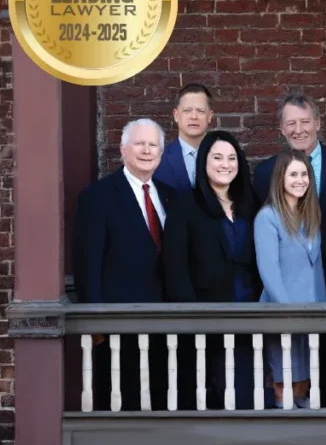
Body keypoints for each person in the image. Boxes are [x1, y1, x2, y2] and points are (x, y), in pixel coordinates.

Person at [252, 93, 326, 406]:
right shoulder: (264, 176)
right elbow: (267, 259)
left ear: (317, 122)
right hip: (287, 303)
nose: (299, 129)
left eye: (305, 121)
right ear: (282, 129)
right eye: (291, 123)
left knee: (325, 374)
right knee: (288, 378)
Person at [72, 118, 176, 411]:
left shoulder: (170, 195)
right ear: (123, 149)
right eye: (139, 144)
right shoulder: (98, 196)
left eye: (153, 144)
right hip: (118, 324)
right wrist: (96, 325)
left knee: (162, 401)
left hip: (166, 322)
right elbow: (86, 263)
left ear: (161, 152)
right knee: (122, 403)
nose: (146, 150)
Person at [162, 130, 261, 410]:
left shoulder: (250, 204)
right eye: (217, 157)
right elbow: (175, 265)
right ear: (204, 161)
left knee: (244, 391)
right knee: (206, 395)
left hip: (249, 313)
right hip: (204, 315)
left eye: (232, 158)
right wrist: (191, 316)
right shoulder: (186, 205)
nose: (225, 164)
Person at [254, 150, 326, 408]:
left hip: (311, 313)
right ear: (280, 179)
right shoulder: (268, 218)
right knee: (284, 387)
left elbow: (315, 268)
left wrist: (323, 308)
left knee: (305, 387)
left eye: (304, 174)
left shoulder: (310, 217)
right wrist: (289, 313)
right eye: (293, 174)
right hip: (283, 314)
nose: (300, 180)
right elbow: (269, 271)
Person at [154, 83, 215, 192]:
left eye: (200, 111)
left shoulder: (227, 159)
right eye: (187, 111)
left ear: (210, 116)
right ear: (176, 115)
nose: (194, 116)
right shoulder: (157, 160)